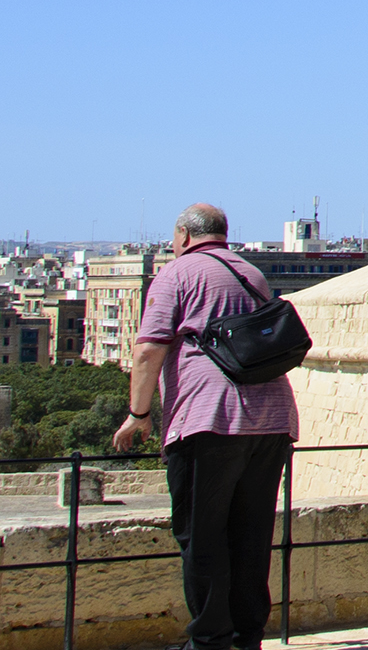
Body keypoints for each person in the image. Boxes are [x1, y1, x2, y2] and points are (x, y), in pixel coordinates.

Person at [110, 204, 296, 650]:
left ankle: (210, 639)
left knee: (202, 535)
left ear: (183, 234)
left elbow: (148, 351)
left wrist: (139, 415)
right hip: (272, 419)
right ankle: (247, 636)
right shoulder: (252, 273)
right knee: (251, 536)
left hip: (210, 419)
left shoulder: (177, 273)